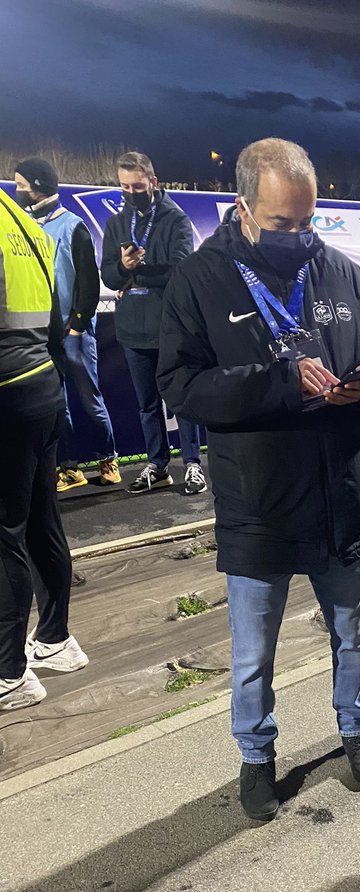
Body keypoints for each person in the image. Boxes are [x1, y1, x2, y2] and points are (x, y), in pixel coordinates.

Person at [157, 138, 360, 821]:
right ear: (241, 208)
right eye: (281, 224)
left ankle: (355, 728)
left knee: (353, 635)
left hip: (341, 496)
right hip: (258, 504)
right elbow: (180, 385)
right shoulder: (199, 280)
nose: (298, 238)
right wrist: (278, 383)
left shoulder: (344, 274)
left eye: (307, 222)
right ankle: (256, 754)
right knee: (252, 653)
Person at [0, 188, 88, 712]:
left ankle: (10, 674)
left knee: (4, 534)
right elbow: (53, 324)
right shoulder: (23, 221)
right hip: (41, 386)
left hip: (6, 396)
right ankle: (55, 640)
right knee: (39, 521)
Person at [100, 151, 206, 495]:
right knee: (146, 404)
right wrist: (125, 271)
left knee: (181, 399)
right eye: (124, 186)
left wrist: (139, 273)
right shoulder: (117, 223)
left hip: (170, 326)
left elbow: (180, 270)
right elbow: (109, 276)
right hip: (133, 329)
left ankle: (192, 464)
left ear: (153, 183)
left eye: (137, 186)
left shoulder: (174, 219)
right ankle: (158, 465)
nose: (131, 192)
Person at [14, 157, 120, 492]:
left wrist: (76, 326)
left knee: (89, 399)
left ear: (39, 187)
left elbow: (89, 283)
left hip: (73, 331)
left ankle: (108, 459)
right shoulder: (27, 227)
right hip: (42, 334)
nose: (18, 191)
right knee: (57, 405)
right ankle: (69, 468)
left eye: (21, 185)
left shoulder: (73, 226)